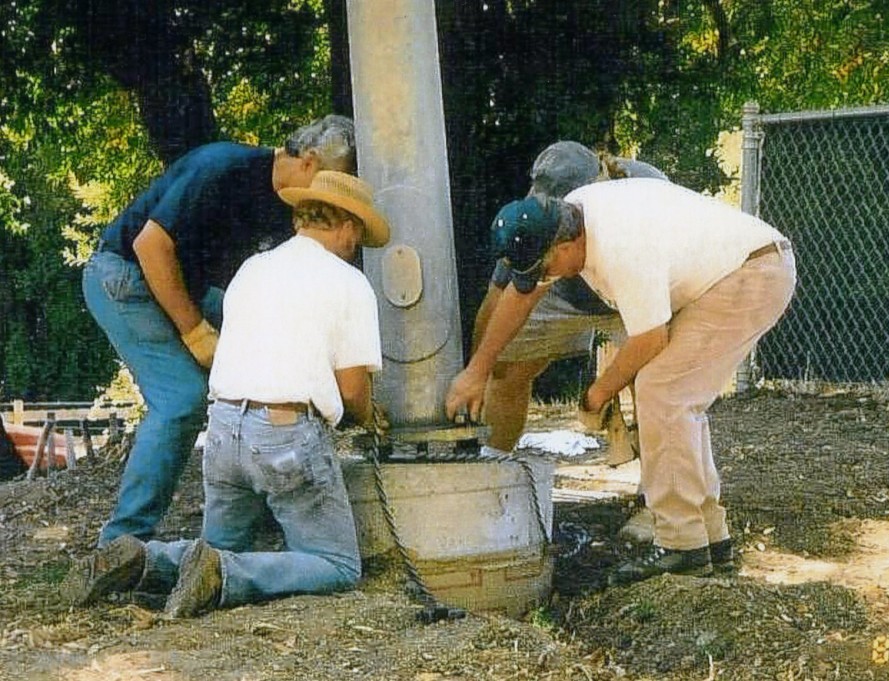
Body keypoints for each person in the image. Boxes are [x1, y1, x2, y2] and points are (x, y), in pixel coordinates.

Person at [62, 170, 390, 617]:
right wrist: (370, 417)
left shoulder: (253, 270)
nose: (356, 246)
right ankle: (229, 574)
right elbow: (353, 390)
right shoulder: (349, 283)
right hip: (286, 434)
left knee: (216, 550)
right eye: (359, 235)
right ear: (349, 225)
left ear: (302, 219)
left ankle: (146, 559)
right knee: (336, 565)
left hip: (224, 428)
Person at [445, 180, 796, 585]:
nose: (546, 280)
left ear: (563, 247)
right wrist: (477, 371)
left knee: (664, 392)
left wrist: (597, 394)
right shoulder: (563, 222)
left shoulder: (620, 246)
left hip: (752, 272)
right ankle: (709, 537)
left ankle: (682, 545)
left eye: (545, 268)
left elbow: (649, 338)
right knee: (674, 397)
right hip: (740, 268)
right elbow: (520, 298)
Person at [83, 115, 358, 548]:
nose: (337, 202)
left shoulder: (289, 206)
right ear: (308, 163)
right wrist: (195, 332)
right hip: (126, 276)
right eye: (335, 184)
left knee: (278, 360)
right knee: (182, 400)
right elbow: (149, 246)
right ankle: (122, 543)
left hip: (188, 285)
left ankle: (276, 497)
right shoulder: (221, 167)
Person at [470, 141, 668, 453]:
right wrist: (475, 373)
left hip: (634, 291)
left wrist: (601, 391)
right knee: (507, 368)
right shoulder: (534, 216)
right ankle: (495, 469)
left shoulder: (646, 190)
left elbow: (656, 322)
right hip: (559, 292)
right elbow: (498, 297)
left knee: (653, 379)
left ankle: (658, 483)